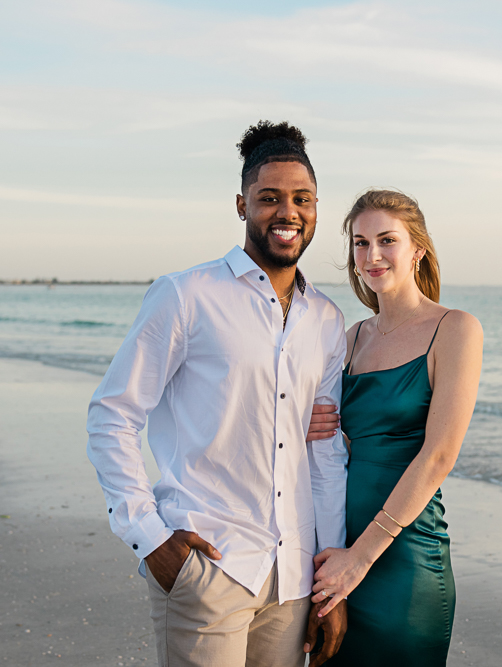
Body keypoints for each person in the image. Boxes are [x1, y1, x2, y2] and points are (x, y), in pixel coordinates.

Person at [86, 121, 349, 667]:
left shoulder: (326, 320)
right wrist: (149, 538)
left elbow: (321, 455)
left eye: (302, 199)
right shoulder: (185, 295)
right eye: (269, 198)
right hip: (209, 564)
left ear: (317, 207)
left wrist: (331, 583)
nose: (287, 212)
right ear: (241, 204)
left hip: (293, 579)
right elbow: (113, 415)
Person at [306, 189, 483, 665]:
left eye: (387, 240)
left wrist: (359, 561)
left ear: (417, 250)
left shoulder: (456, 329)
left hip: (403, 559)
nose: (372, 255)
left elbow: (439, 456)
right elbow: (324, 441)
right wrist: (305, 422)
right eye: (360, 243)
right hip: (336, 550)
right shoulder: (349, 339)